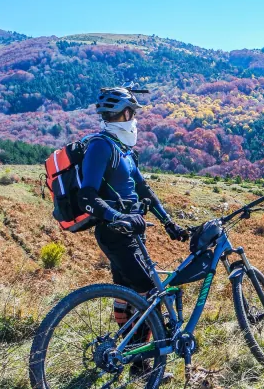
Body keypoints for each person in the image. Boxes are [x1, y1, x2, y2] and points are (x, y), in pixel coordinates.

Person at [78, 85, 189, 380]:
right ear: (124, 114)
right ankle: (140, 367)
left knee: (128, 296)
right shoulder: (101, 146)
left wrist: (168, 223)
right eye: (133, 113)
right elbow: (87, 196)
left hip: (129, 231)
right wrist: (120, 217)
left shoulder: (123, 150)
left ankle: (130, 354)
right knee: (149, 296)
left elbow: (144, 191)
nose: (135, 119)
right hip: (116, 233)